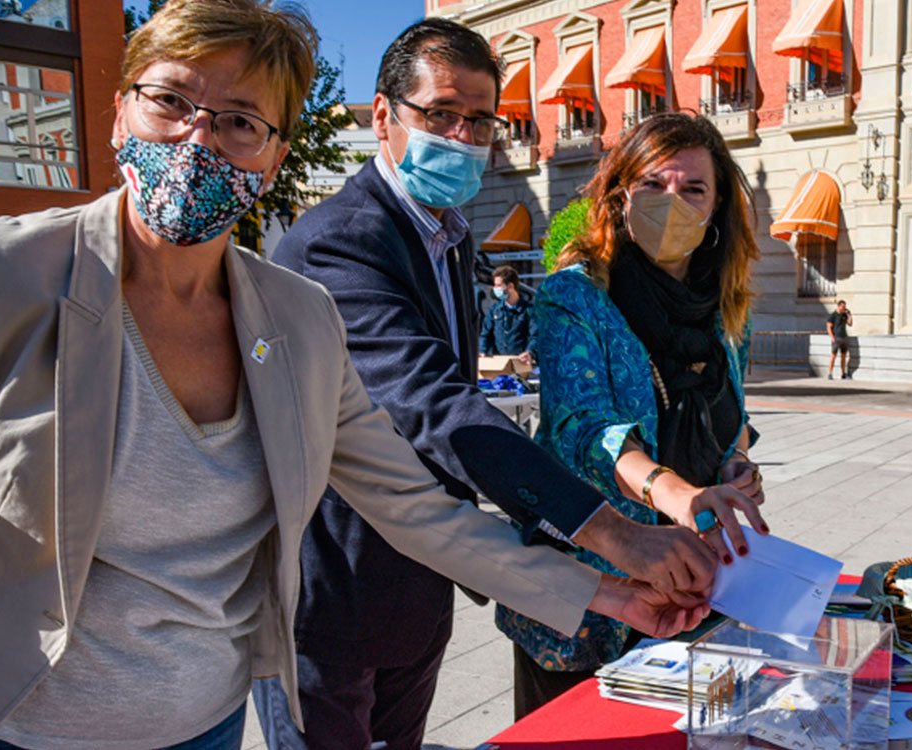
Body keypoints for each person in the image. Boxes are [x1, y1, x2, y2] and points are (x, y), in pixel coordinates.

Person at [0, 3, 708, 749]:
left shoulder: (295, 317)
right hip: (13, 725)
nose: (198, 138)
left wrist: (603, 589)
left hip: (204, 722)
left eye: (240, 121)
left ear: (275, 156)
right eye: (171, 100)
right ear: (119, 113)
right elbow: (435, 405)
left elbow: (411, 502)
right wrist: (611, 530)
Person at [250, 18, 717, 750]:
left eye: (479, 120)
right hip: (334, 593)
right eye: (440, 114)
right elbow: (438, 408)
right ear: (383, 116)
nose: (463, 137)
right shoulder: (341, 240)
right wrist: (616, 536)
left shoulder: (452, 235)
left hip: (424, 586)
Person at [497, 113, 771, 719]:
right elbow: (583, 429)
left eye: (693, 189)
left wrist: (736, 468)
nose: (672, 201)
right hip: (589, 591)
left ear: (717, 208)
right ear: (621, 196)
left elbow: (732, 420)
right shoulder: (575, 295)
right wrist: (674, 493)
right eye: (653, 183)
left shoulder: (728, 310)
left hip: (699, 583)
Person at [480, 264, 538, 363]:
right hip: (499, 363)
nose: (495, 289)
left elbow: (536, 335)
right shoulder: (495, 310)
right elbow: (485, 334)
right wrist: (482, 351)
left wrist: (529, 352)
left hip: (521, 363)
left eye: (498, 285)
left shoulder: (529, 310)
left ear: (510, 286)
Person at [826, 300, 853, 379]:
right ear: (838, 306)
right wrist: (832, 337)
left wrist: (850, 315)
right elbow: (829, 328)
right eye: (843, 307)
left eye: (845, 307)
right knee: (833, 356)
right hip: (836, 338)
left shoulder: (844, 315)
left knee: (843, 356)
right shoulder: (833, 316)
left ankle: (843, 374)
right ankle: (830, 373)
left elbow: (850, 324)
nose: (844, 308)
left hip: (844, 337)